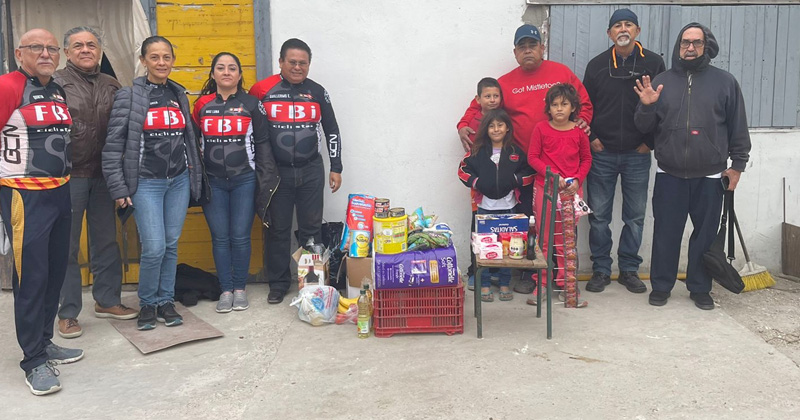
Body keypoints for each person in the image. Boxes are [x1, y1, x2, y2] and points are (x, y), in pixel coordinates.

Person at [456, 24, 593, 294]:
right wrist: (463, 125)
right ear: (515, 52)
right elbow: (481, 103)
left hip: (560, 168)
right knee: (528, 223)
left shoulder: (561, 73)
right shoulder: (506, 82)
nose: (528, 50)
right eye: (522, 47)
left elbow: (583, 103)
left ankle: (562, 277)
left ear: (542, 48)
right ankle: (530, 274)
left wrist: (583, 121)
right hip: (523, 166)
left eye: (533, 45)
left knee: (561, 225)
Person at [634, 23, 751, 310]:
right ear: (678, 46)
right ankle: (661, 285)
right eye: (685, 42)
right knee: (666, 233)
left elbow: (738, 126)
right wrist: (647, 106)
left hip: (710, 174)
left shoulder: (725, 82)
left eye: (696, 43)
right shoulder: (661, 81)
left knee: (705, 236)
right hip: (669, 173)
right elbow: (643, 128)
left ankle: (700, 288)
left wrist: (737, 165)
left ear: (706, 46)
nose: (690, 47)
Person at [0, 28, 84, 396]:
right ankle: (33, 360)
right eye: (37, 47)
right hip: (24, 195)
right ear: (20, 53)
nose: (46, 53)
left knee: (54, 272)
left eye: (51, 48)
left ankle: (45, 342)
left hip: (60, 192)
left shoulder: (56, 89)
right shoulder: (8, 86)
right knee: (31, 278)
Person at [103, 36, 204, 329]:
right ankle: (147, 302)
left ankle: (165, 301)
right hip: (146, 183)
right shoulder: (129, 96)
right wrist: (119, 188)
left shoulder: (178, 94)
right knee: (155, 247)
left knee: (170, 245)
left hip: (178, 182)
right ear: (143, 61)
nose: (161, 63)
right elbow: (113, 146)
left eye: (166, 57)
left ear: (173, 60)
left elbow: (188, 140)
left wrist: (193, 176)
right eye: (155, 57)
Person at [53, 26, 138, 339]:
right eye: (78, 45)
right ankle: (67, 313)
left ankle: (107, 300)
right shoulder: (56, 83)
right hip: (69, 175)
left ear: (99, 51)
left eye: (91, 44)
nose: (86, 50)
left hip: (104, 176)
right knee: (67, 246)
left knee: (105, 241)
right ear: (67, 52)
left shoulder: (111, 84)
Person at [250, 38, 342, 304]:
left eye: (303, 63)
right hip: (277, 173)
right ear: (280, 62)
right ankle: (278, 284)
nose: (298, 67)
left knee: (311, 230)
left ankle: (311, 284)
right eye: (292, 62)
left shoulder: (318, 91)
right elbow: (250, 130)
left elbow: (332, 130)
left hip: (311, 169)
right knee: (278, 229)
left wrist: (336, 167)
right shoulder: (262, 90)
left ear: (309, 65)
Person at [581, 9, 666, 294]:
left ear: (637, 31)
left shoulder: (654, 63)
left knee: (635, 216)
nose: (623, 29)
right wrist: (592, 137)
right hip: (601, 153)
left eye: (629, 24)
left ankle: (629, 269)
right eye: (617, 25)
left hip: (637, 154)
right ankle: (601, 269)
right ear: (609, 33)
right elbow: (585, 107)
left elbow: (664, 105)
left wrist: (650, 142)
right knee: (599, 217)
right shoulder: (596, 65)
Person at [192, 52, 280, 313]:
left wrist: (266, 178)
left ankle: (240, 289)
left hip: (245, 180)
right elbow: (193, 142)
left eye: (232, 68)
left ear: (240, 75)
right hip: (213, 182)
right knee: (220, 238)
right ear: (213, 74)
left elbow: (263, 143)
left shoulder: (252, 104)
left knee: (240, 236)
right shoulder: (202, 104)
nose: (226, 72)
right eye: (221, 68)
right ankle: (226, 289)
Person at [458, 109, 534, 302]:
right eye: (491, 126)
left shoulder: (515, 152)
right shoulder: (477, 151)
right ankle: (484, 284)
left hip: (509, 208)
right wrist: (477, 182)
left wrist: (516, 180)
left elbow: (529, 172)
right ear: (486, 129)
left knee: (506, 248)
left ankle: (504, 283)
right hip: (485, 209)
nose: (496, 129)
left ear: (507, 128)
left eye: (500, 125)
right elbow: (463, 170)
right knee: (484, 248)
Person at [526, 83, 592, 304]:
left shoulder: (579, 132)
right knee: (544, 238)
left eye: (564, 104)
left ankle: (567, 285)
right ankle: (542, 284)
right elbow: (533, 157)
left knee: (566, 240)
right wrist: (552, 175)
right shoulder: (541, 129)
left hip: (570, 192)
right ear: (548, 108)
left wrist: (578, 179)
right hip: (545, 189)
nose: (559, 109)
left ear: (573, 107)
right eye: (554, 105)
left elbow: (586, 159)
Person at [464, 77, 502, 291]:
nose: (492, 100)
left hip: (504, 192)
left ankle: (497, 272)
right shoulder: (473, 121)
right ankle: (475, 271)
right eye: (488, 96)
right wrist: (477, 181)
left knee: (501, 230)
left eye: (496, 96)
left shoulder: (504, 119)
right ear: (478, 99)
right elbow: (468, 160)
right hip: (479, 193)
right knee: (478, 230)